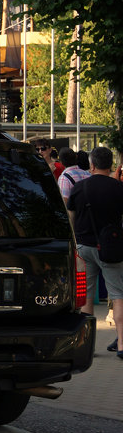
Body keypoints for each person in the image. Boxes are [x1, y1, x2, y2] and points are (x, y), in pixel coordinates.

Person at [67, 146, 123, 361]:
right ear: (110, 165)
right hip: (111, 248)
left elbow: (71, 217)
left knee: (86, 296)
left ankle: (86, 345)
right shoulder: (118, 188)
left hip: (83, 247)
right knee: (118, 295)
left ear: (91, 164)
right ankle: (121, 343)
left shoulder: (79, 188)